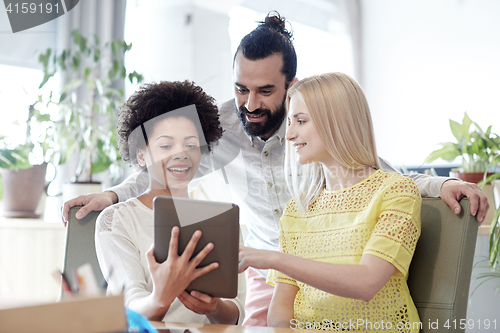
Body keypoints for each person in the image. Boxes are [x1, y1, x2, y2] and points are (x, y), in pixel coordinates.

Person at [63, 12, 488, 326]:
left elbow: (372, 169)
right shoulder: (222, 126)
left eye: (265, 91)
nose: (251, 103)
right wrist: (113, 195)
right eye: (241, 88)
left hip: (322, 258)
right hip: (267, 267)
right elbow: (166, 163)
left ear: (290, 86)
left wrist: (441, 183)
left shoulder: (313, 124)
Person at [239, 72, 421, 331]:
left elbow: (366, 283)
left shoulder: (396, 193)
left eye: (300, 121)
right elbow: (280, 309)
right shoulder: (296, 211)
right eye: (290, 122)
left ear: (337, 122)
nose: (289, 135)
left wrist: (273, 259)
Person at [95, 80, 245, 324]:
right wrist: (160, 298)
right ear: (141, 155)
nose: (181, 154)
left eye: (191, 144)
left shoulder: (222, 220)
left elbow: (237, 312)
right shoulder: (116, 220)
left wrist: (214, 307)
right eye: (166, 145)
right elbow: (129, 310)